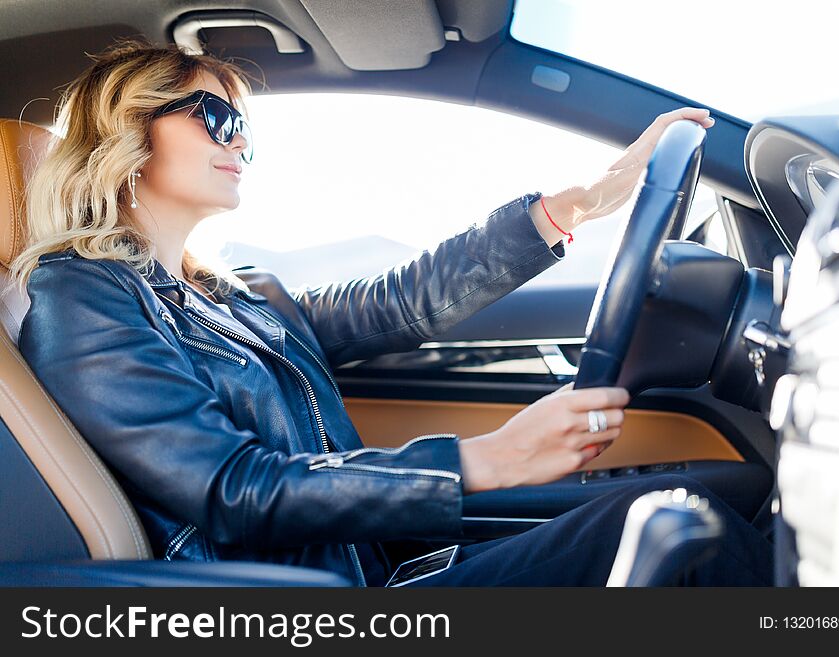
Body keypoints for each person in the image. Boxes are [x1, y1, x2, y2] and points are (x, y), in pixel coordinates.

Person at [11, 39, 771, 586]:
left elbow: (403, 302)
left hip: (374, 568)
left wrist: (580, 202)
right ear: (128, 128)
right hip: (296, 605)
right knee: (683, 541)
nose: (240, 143)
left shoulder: (236, 294)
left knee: (683, 503)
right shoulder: (80, 296)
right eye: (219, 117)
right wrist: (487, 458)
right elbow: (231, 488)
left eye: (246, 128)